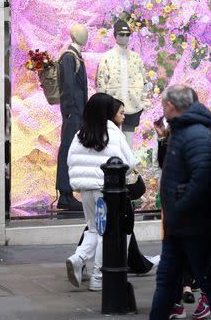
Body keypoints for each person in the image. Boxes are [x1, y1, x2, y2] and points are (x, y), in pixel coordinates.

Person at [149, 85, 211, 320]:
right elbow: (171, 168)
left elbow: (203, 179)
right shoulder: (178, 131)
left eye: (163, 104)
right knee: (167, 282)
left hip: (193, 225)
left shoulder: (197, 133)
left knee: (209, 281)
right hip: (178, 226)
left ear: (170, 106)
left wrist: (179, 206)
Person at [65, 93, 136, 291]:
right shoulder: (113, 133)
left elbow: (70, 160)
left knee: (93, 229)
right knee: (105, 233)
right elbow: (129, 163)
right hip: (106, 192)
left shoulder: (80, 134)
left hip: (85, 190)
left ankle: (78, 258)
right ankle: (97, 277)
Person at [56, 23, 89, 211]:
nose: (86, 36)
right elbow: (68, 86)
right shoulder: (69, 57)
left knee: (72, 150)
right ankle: (65, 194)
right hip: (73, 113)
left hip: (77, 112)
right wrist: (69, 111)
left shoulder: (76, 56)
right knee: (68, 150)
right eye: (82, 33)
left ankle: (67, 193)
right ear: (74, 35)